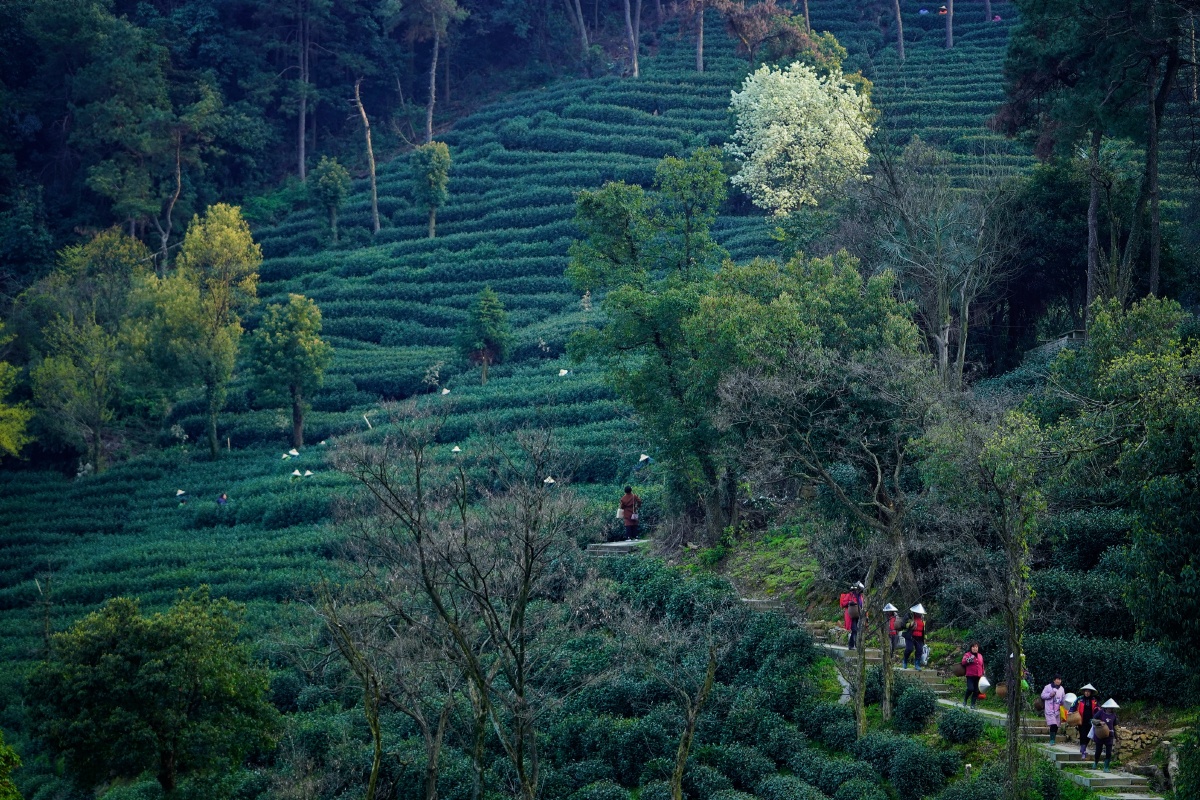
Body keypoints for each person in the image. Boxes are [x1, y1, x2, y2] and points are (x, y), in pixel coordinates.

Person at [1092, 699, 1118, 771]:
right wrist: (1100, 722)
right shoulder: (1100, 713)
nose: (1111, 709)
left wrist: (1117, 737)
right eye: (1110, 707)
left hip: (1109, 735)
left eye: (1112, 708)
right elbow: (1093, 720)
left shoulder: (1114, 716)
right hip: (1100, 734)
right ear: (1106, 707)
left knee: (1109, 752)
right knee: (1098, 751)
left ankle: (1106, 767)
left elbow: (1115, 726)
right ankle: (1095, 763)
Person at [1075, 684, 1099, 758]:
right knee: (1082, 734)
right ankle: (1083, 750)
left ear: (1091, 692)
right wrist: (1071, 712)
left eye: (1088, 691)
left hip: (1090, 720)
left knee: (1089, 735)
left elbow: (1098, 708)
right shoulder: (1079, 699)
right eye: (1086, 691)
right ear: (1084, 692)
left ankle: (1083, 748)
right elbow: (1073, 706)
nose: (1087, 693)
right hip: (1081, 719)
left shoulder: (1094, 700)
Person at [1041, 677, 1066, 744]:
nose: (1058, 681)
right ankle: (1052, 740)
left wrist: (1064, 703)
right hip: (1049, 709)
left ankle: (1053, 738)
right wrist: (1050, 695)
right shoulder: (1048, 687)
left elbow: (1063, 698)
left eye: (1060, 679)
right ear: (1054, 680)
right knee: (1053, 724)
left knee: (1057, 725)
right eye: (1057, 679)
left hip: (1057, 710)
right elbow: (1042, 695)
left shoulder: (1061, 688)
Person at [840, 582, 865, 649]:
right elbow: (843, 603)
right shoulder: (850, 595)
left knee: (858, 630)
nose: (859, 591)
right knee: (854, 629)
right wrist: (849, 602)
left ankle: (856, 645)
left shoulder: (861, 597)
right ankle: (851, 645)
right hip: (851, 615)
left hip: (858, 615)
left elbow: (862, 606)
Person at [903, 604, 927, 670]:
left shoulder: (922, 618)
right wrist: (910, 624)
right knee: (909, 649)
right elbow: (903, 624)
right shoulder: (909, 616)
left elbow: (924, 629)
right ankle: (905, 660)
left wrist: (925, 637)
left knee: (919, 650)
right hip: (910, 636)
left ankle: (917, 664)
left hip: (919, 637)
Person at [961, 642, 985, 708]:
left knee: (976, 690)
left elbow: (982, 665)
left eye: (976, 647)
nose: (975, 648)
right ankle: (965, 700)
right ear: (971, 648)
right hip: (970, 675)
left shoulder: (980, 655)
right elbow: (963, 662)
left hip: (978, 676)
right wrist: (968, 660)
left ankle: (973, 704)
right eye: (973, 647)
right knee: (970, 688)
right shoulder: (967, 654)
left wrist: (983, 673)